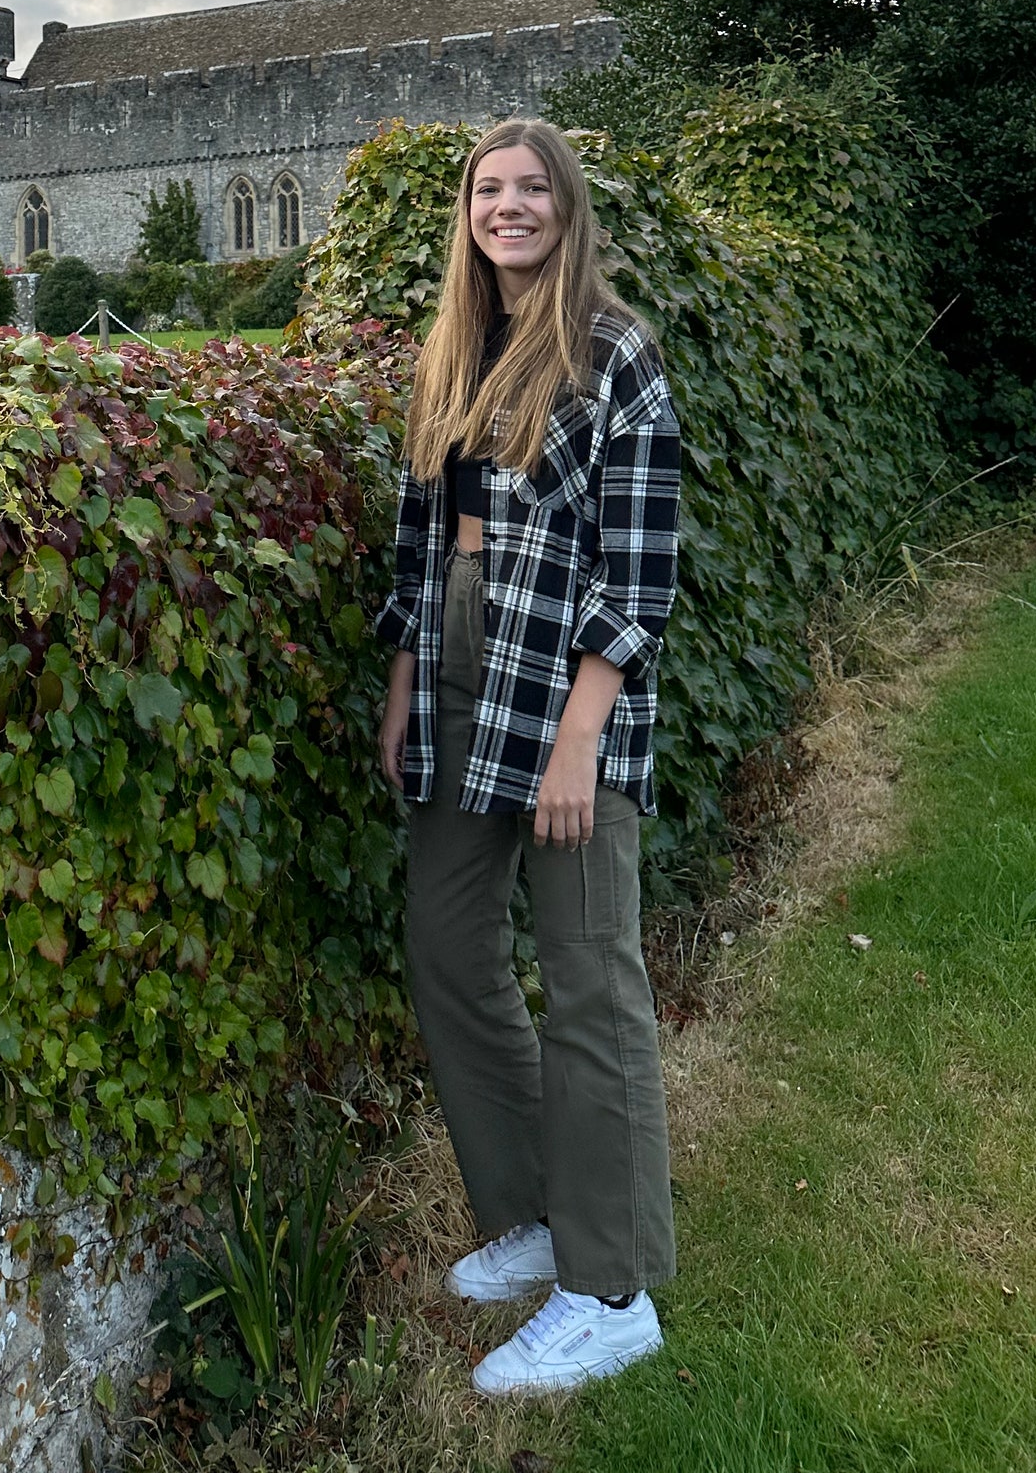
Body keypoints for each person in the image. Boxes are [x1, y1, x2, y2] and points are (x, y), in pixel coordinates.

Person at [375, 117, 682, 1397]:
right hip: (455, 678)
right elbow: (416, 533)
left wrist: (579, 742)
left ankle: (610, 1292)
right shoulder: (454, 346)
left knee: (588, 979)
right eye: (488, 190)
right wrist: (402, 682)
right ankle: (536, 1213)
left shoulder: (617, 353)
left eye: (531, 189)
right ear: (466, 212)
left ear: (566, 208)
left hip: (565, 689)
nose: (509, 207)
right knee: (447, 944)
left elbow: (640, 568)